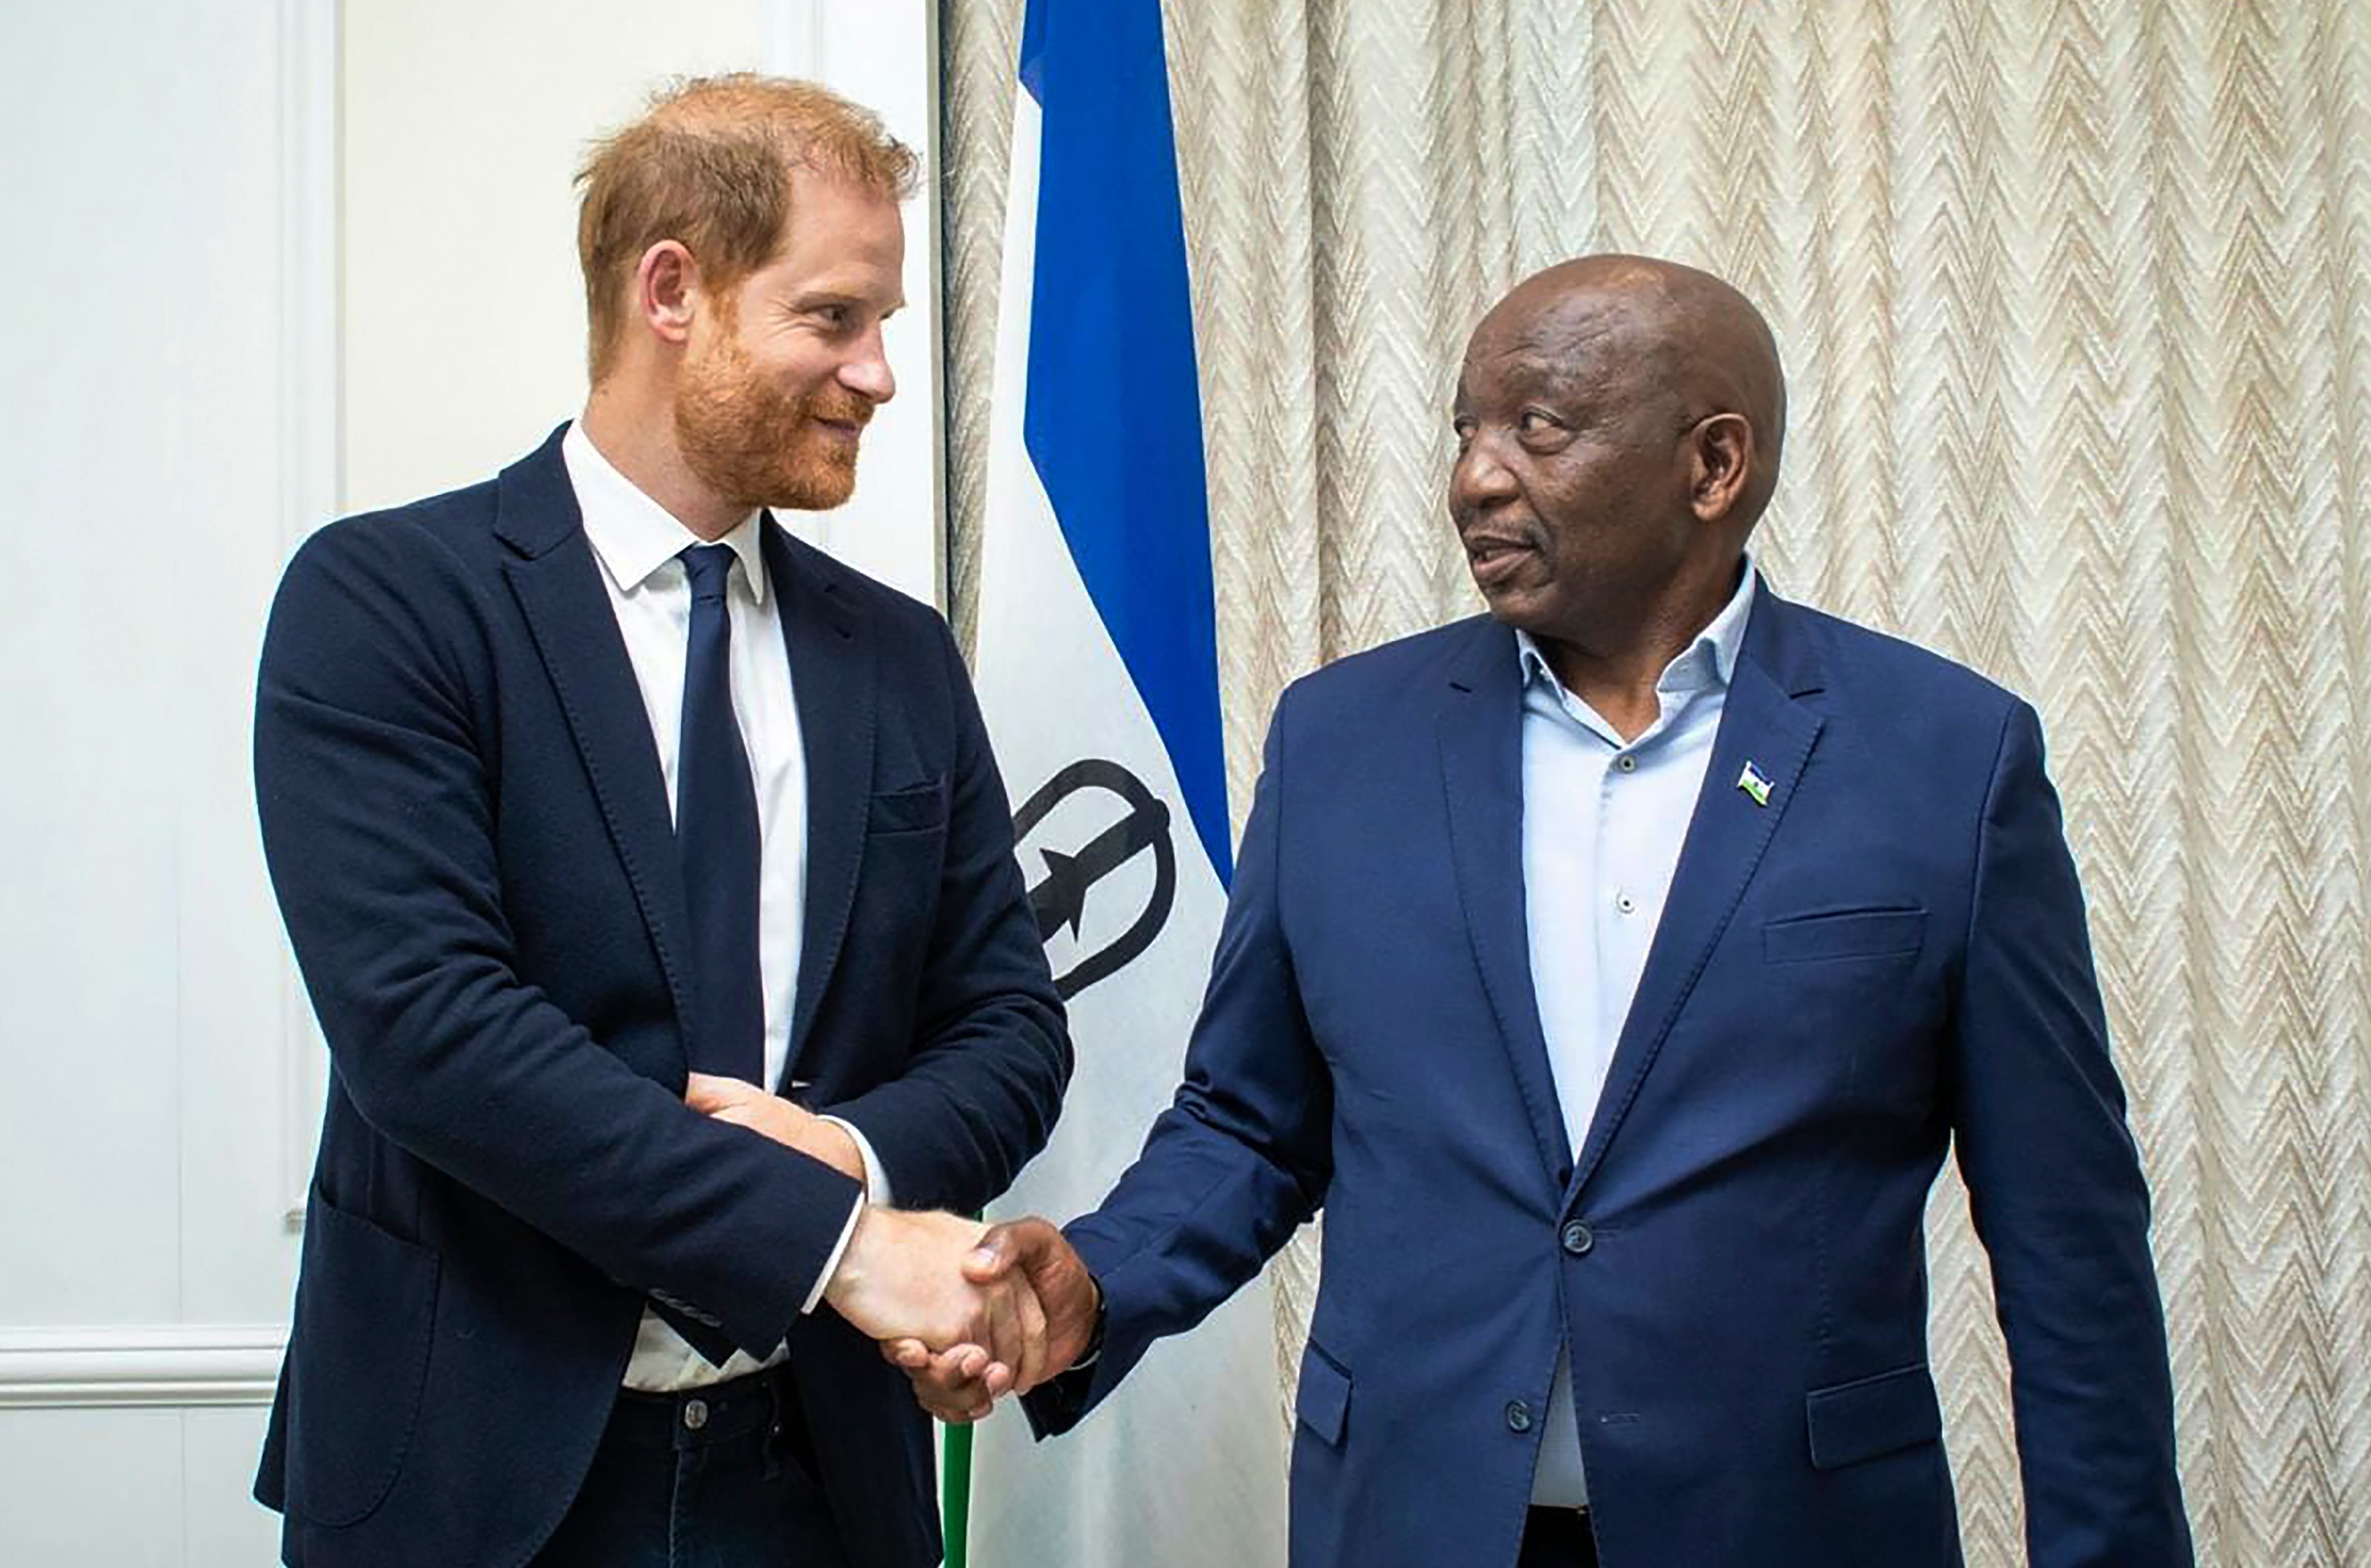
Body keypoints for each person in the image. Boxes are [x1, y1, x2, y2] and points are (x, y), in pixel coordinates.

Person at [895, 256, 2193, 1567]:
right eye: (1467, 429)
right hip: (1414, 1523)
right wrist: (1098, 1281)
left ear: (1714, 465)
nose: (1478, 475)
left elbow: (2065, 1233)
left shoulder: (1945, 762)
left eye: (1539, 426)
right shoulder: (1343, 740)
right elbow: (1251, 1121)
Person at [252, 75, 1068, 1568]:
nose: (881, 373)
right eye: (834, 317)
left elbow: (1013, 1029)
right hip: (473, 1479)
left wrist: (842, 1153)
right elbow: (431, 1036)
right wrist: (839, 1246)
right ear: (672, 290)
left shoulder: (896, 657)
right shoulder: (385, 605)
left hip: (817, 1483)